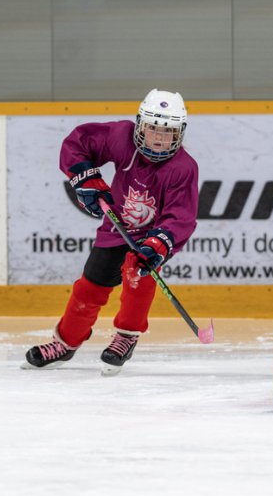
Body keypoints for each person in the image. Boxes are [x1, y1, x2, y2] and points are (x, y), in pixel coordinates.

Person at [23, 89, 199, 375]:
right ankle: (66, 343)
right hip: (116, 225)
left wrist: (157, 244)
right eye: (153, 128)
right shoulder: (122, 138)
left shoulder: (184, 168)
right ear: (141, 125)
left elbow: (181, 217)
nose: (158, 137)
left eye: (167, 132)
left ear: (179, 133)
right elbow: (79, 143)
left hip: (151, 235)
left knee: (138, 275)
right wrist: (86, 178)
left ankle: (126, 337)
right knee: (90, 285)